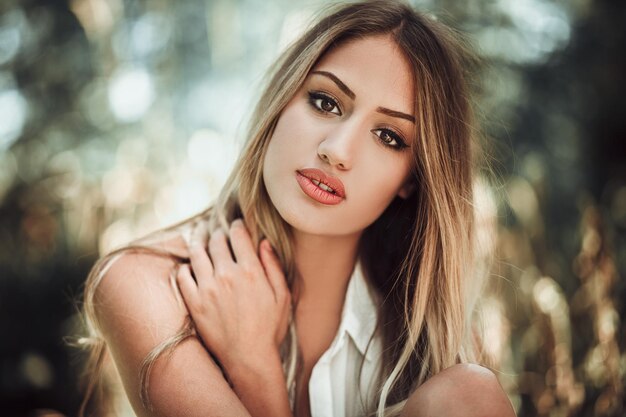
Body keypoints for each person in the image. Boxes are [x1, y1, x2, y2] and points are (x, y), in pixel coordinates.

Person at [78, 1, 516, 416]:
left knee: (469, 394)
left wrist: (255, 366)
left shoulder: (432, 339)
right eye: (326, 102)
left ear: (412, 180)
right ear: (282, 99)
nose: (337, 150)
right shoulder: (147, 285)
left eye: (388, 136)